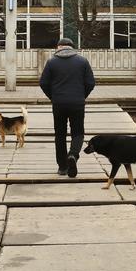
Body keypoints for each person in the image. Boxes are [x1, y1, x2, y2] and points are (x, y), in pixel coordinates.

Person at [38, 37, 95, 177]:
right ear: (72, 47)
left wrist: (54, 97)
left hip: (58, 104)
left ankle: (62, 167)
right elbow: (90, 83)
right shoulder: (82, 61)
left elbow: (43, 83)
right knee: (78, 132)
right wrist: (82, 96)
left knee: (60, 135)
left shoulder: (51, 62)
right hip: (77, 103)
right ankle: (73, 155)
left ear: (59, 47)